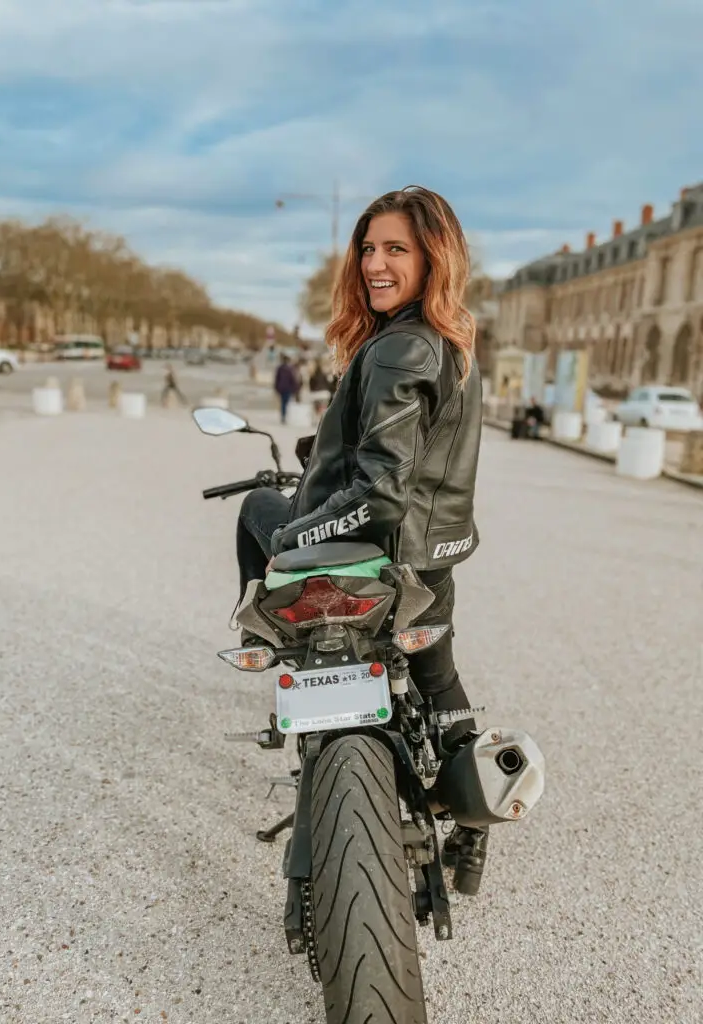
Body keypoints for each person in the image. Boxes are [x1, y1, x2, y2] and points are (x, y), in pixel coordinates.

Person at [236, 186, 486, 895]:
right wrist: (328, 444)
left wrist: (291, 536)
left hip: (370, 553)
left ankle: (275, 644)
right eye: (368, 248)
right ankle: (472, 830)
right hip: (429, 562)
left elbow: (379, 492)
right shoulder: (450, 340)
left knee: (259, 507)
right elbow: (410, 447)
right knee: (440, 682)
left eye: (396, 249)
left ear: (433, 254)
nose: (376, 263)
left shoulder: (396, 347)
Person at [274, 354, 298, 424]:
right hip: (288, 388)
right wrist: (295, 388)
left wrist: (276, 387)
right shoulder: (290, 369)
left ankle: (283, 416)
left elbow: (276, 379)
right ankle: (285, 416)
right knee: (286, 403)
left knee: (283, 403)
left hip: (281, 388)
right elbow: (293, 379)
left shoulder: (279, 368)